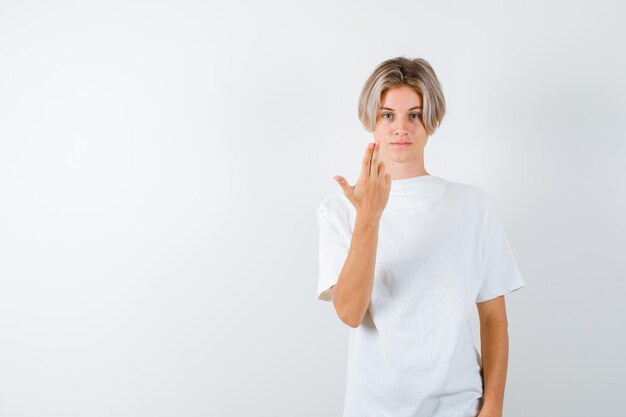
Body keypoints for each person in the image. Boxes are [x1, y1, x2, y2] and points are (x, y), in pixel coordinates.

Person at [316, 56, 526, 417]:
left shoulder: (472, 206)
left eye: (414, 115)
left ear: (432, 120)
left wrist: (493, 406)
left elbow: (494, 318)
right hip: (373, 408)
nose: (401, 128)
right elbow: (350, 313)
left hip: (460, 406)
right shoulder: (340, 210)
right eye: (388, 115)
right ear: (371, 121)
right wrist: (369, 216)